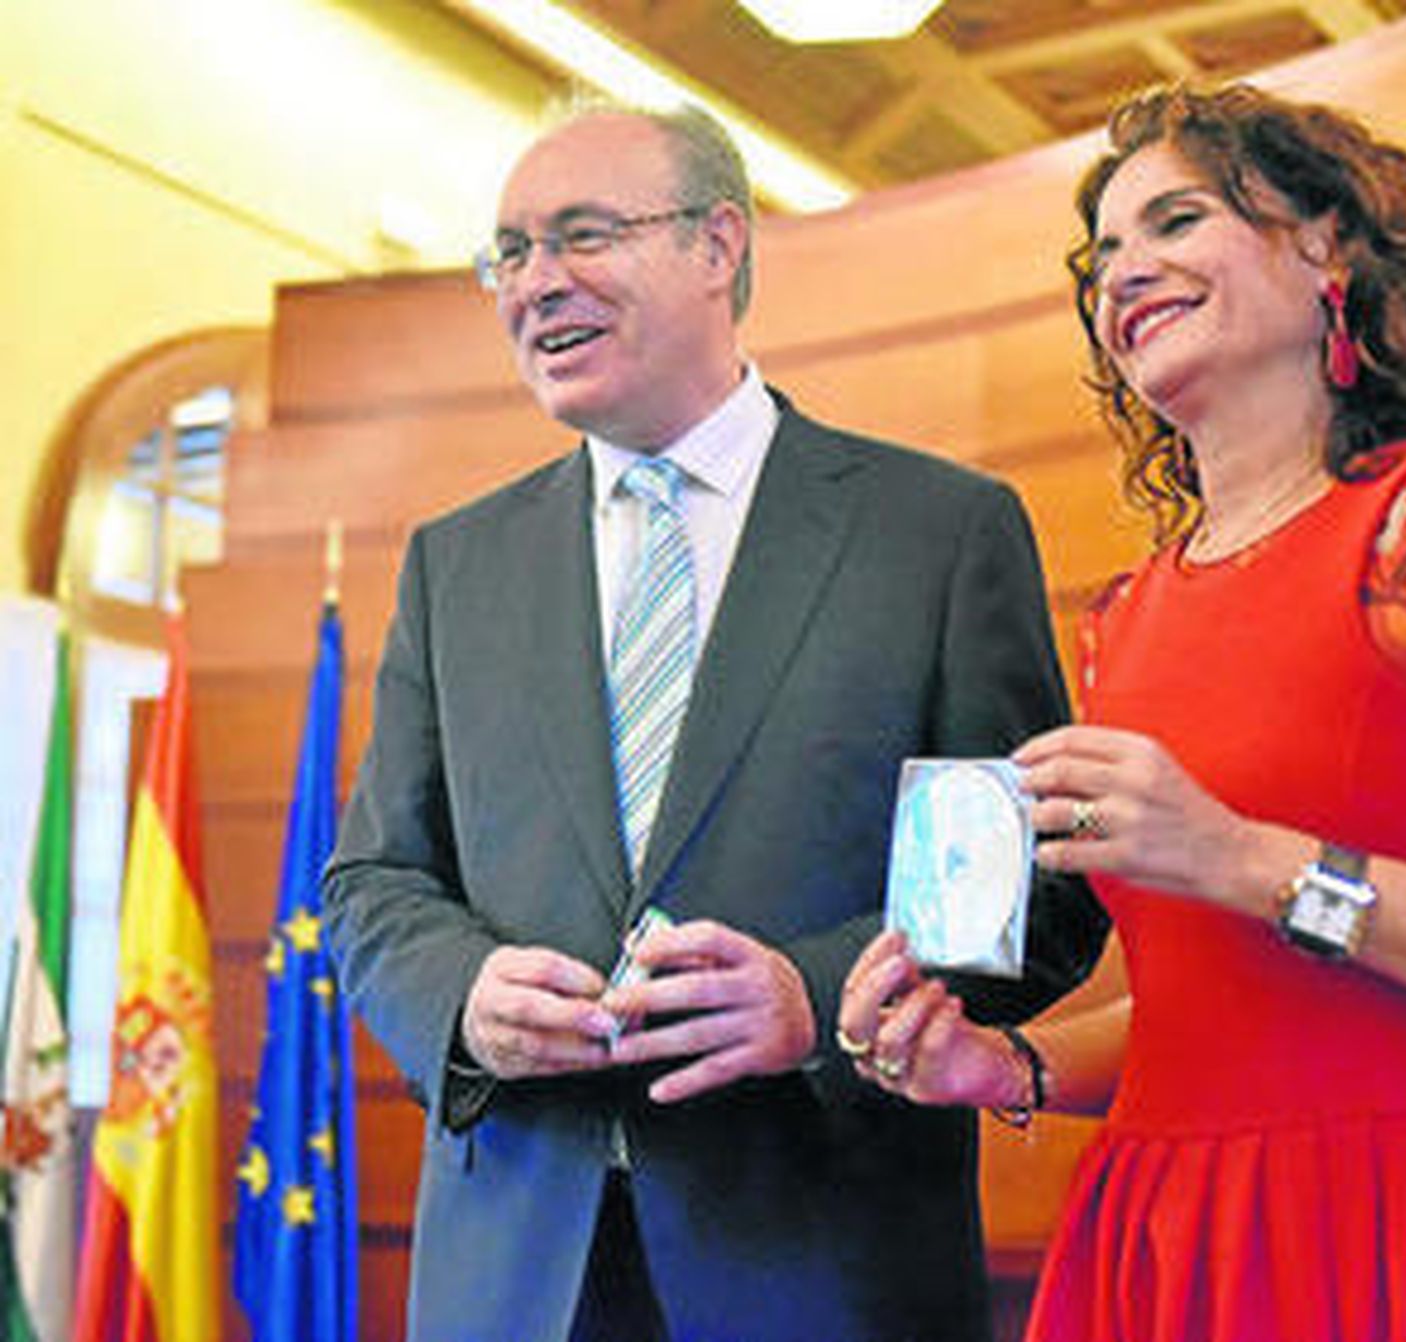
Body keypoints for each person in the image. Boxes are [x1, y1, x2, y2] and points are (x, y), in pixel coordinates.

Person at [323, 101, 1109, 1342]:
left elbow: (1037, 900)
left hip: (827, 1265)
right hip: (515, 1279)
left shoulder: (937, 535)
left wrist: (813, 996)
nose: (538, 282)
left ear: (718, 245)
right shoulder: (453, 565)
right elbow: (373, 881)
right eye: (509, 254)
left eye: (582, 234)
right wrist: (465, 996)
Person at [840, 82, 1406, 1341]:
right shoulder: (1127, 610)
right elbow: (1214, 1009)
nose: (1122, 272)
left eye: (1175, 221)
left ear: (1326, 249)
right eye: (1103, 256)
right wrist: (1004, 1064)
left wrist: (1248, 857)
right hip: (1167, 1236)